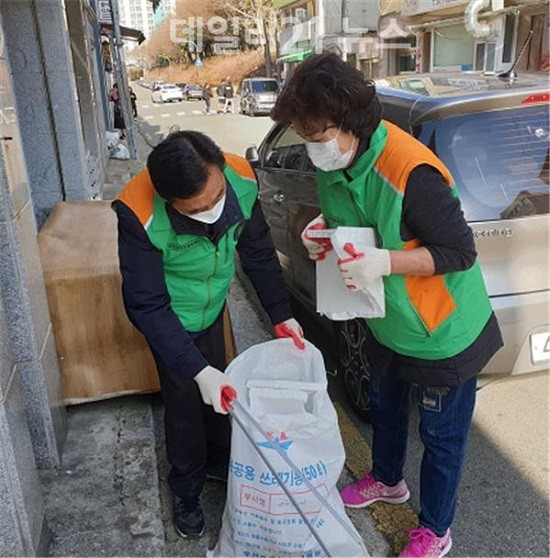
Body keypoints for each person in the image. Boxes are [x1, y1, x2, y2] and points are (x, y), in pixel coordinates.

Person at [271, 53, 503, 558]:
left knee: (442, 437)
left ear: (350, 123)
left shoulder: (409, 170)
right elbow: (355, 221)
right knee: (386, 406)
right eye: (304, 137)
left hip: (441, 329)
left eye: (316, 136)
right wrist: (324, 235)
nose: (312, 149)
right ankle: (387, 479)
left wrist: (384, 263)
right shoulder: (338, 160)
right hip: (384, 317)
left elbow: (458, 251)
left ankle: (436, 529)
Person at [112, 130, 305, 540]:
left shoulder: (240, 176)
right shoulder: (137, 211)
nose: (214, 209)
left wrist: (279, 314)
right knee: (184, 402)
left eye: (217, 196)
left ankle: (218, 459)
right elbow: (145, 303)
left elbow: (257, 251)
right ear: (169, 199)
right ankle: (186, 488)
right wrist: (196, 370)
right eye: (198, 207)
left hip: (213, 308)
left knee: (223, 394)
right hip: (172, 319)